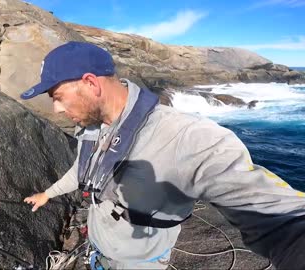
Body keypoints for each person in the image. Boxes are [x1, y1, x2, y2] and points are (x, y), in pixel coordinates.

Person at [21, 41, 305, 269]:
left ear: (91, 84)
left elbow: (280, 216)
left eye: (57, 96)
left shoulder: (188, 137)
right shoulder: (92, 127)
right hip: (102, 249)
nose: (56, 110)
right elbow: (82, 169)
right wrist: (49, 193)